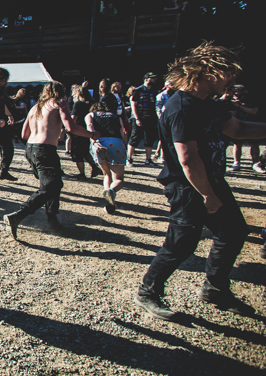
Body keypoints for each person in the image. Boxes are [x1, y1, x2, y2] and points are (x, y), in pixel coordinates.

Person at [134, 43, 266, 321]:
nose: (232, 79)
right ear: (208, 72)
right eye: (228, 73)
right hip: (189, 187)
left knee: (233, 232)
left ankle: (215, 290)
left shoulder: (208, 105)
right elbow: (187, 158)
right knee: (181, 243)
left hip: (211, 181)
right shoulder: (181, 107)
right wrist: (208, 195)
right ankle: (148, 291)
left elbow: (238, 128)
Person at [3, 81, 99, 240]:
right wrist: (92, 135)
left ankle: (52, 221)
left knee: (52, 184)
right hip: (45, 149)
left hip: (31, 149)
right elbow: (70, 127)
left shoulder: (36, 107)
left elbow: (24, 134)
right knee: (52, 185)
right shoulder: (59, 102)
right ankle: (18, 215)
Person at [85, 100, 127, 213]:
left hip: (99, 143)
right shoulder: (116, 117)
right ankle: (112, 191)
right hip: (116, 143)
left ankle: (109, 203)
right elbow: (123, 133)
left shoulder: (91, 115)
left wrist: (95, 142)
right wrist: (124, 146)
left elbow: (90, 126)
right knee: (118, 178)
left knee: (107, 174)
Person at [69, 84, 102, 179]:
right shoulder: (91, 103)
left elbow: (74, 118)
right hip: (88, 129)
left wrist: (68, 127)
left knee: (77, 152)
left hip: (78, 130)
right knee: (85, 151)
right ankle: (95, 167)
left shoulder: (78, 104)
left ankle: (82, 173)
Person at [127, 72, 159, 166]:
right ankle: (129, 158)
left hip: (151, 118)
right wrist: (137, 118)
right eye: (152, 78)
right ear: (146, 79)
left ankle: (148, 159)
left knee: (150, 138)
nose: (154, 80)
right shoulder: (138, 90)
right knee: (135, 137)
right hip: (139, 117)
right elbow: (133, 105)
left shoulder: (154, 90)